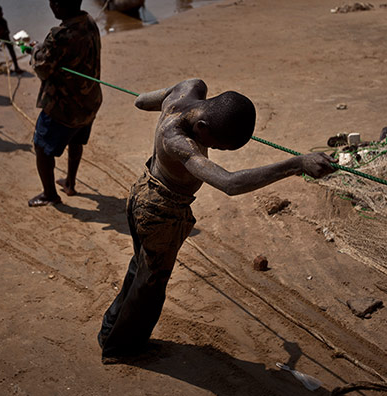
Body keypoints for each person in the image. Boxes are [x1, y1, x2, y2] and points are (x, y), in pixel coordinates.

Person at [97, 79, 337, 363]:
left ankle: (111, 328)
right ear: (202, 129)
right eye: (219, 147)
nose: (215, 151)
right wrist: (295, 164)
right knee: (151, 284)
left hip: (143, 192)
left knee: (140, 268)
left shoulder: (188, 88)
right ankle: (120, 349)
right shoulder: (178, 141)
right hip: (160, 212)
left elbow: (140, 101)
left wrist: (164, 104)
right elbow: (229, 183)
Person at [28, 0, 102, 207]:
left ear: (57, 5)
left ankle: (50, 194)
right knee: (76, 140)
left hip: (64, 108)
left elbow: (42, 69)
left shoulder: (58, 36)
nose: (50, 6)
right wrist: (44, 48)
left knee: (41, 147)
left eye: (51, 2)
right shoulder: (89, 21)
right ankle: (70, 183)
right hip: (89, 101)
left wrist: (36, 51)